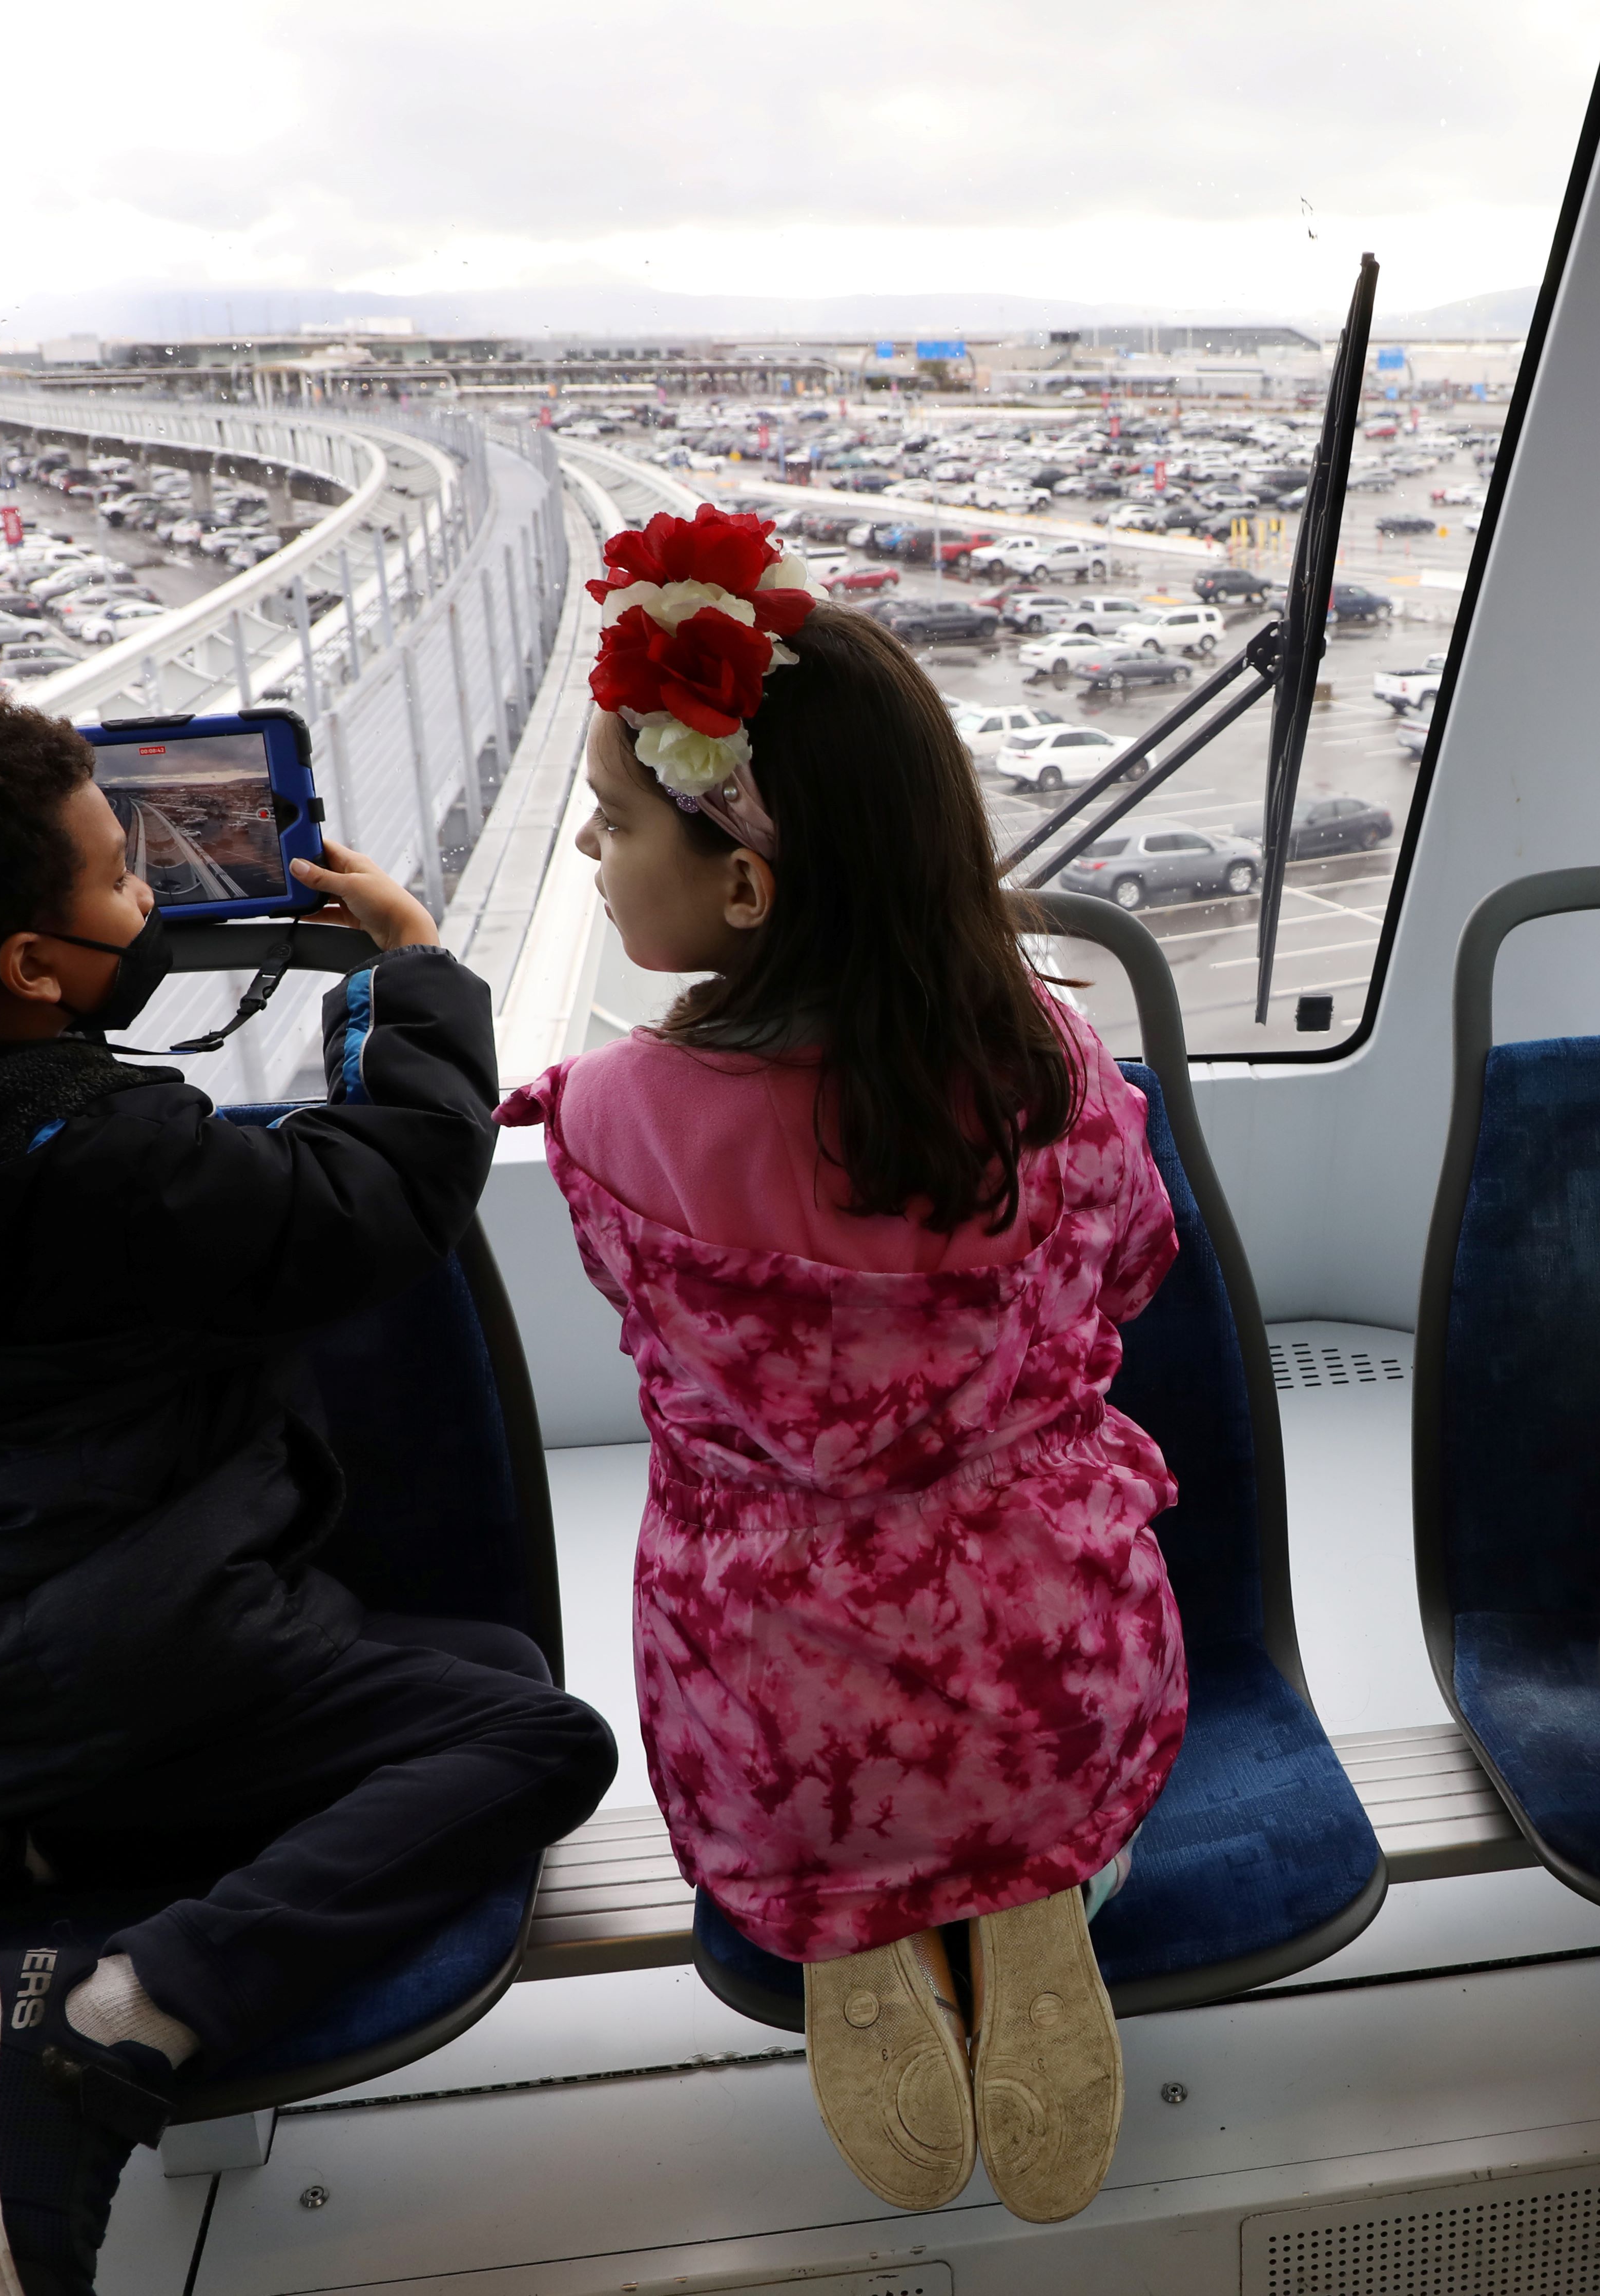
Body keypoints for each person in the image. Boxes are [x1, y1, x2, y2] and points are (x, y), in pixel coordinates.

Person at [0, 695, 617, 2296]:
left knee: (477, 1671)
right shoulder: (106, 1157)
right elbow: (375, 1201)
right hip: (114, 1670)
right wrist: (408, 972)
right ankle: (113, 2021)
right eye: (124, 880)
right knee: (534, 1734)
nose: (156, 903)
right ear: (33, 970)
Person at [498, 509, 1183, 2226]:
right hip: (1049, 1660)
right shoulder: (1052, 1056)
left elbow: (664, 1346)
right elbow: (1136, 1263)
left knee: (808, 1780)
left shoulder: (608, 1122)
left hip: (779, 1704)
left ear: (745, 882)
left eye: (615, 816)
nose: (591, 844)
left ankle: (854, 1930)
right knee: (1048, 1761)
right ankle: (1046, 1898)